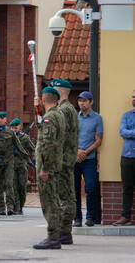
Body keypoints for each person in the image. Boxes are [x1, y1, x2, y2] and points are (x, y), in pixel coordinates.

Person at [32, 87, 65, 250]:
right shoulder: (59, 114)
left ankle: (53, 237)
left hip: (48, 167)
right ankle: (56, 235)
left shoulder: (49, 118)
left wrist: (44, 168)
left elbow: (47, 144)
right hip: (56, 164)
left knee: (49, 202)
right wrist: (37, 110)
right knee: (55, 200)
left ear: (44, 100)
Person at [51, 79, 78, 244]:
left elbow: (57, 134)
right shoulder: (68, 109)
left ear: (60, 92)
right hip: (66, 157)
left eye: (53, 90)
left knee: (64, 197)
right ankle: (65, 232)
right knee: (66, 195)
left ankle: (64, 231)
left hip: (62, 159)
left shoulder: (64, 110)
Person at [0, 112, 28, 216]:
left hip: (9, 162)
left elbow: (18, 146)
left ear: (5, 119)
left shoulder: (10, 132)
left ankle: (10, 207)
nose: (0, 120)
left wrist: (27, 157)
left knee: (9, 184)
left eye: (2, 118)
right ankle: (0, 208)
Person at [73, 91, 103, 227]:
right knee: (74, 189)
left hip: (89, 159)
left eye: (84, 101)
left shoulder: (97, 118)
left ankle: (90, 217)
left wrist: (84, 152)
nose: (81, 103)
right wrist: (77, 151)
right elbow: (70, 138)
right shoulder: (74, 118)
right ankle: (76, 218)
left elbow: (98, 141)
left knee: (91, 187)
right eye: (80, 101)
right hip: (74, 158)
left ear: (91, 102)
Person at [113, 90, 135, 226]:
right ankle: (125, 216)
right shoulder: (126, 116)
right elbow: (122, 131)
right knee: (127, 187)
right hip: (127, 156)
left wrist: (129, 134)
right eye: (133, 97)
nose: (134, 99)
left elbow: (126, 133)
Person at [10, 118, 35, 215]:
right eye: (12, 127)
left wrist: (34, 159)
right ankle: (16, 207)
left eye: (15, 127)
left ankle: (21, 206)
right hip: (11, 164)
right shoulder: (8, 137)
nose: (14, 129)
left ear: (19, 127)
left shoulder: (24, 138)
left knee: (22, 186)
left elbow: (32, 149)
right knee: (14, 187)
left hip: (21, 164)